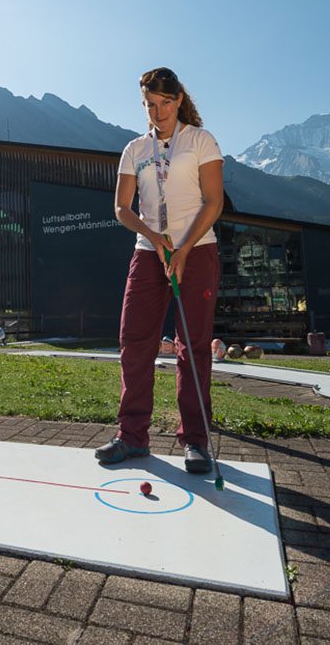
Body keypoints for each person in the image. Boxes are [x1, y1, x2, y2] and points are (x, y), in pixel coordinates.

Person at [95, 67, 225, 473]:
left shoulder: (201, 141)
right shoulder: (134, 149)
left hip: (198, 250)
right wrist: (154, 237)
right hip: (148, 253)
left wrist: (183, 249)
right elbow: (121, 208)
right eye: (150, 104)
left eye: (165, 103)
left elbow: (214, 202)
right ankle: (132, 437)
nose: (158, 111)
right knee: (134, 342)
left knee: (194, 345)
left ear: (179, 100)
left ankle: (196, 442)